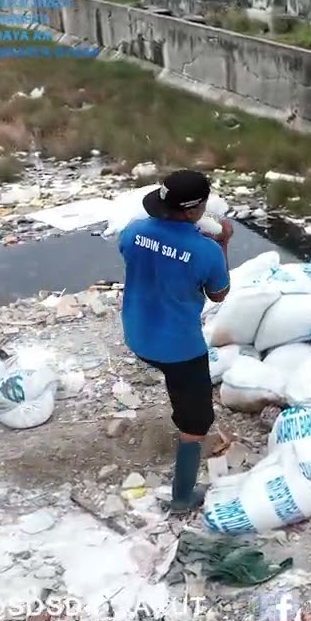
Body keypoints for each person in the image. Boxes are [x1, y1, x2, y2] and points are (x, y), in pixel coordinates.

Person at [119, 169, 232, 514]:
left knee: (175, 386)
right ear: (195, 209)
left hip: (137, 333)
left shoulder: (132, 232)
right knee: (196, 420)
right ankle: (183, 495)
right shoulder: (206, 250)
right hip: (179, 349)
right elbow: (219, 294)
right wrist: (223, 243)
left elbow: (148, 257)